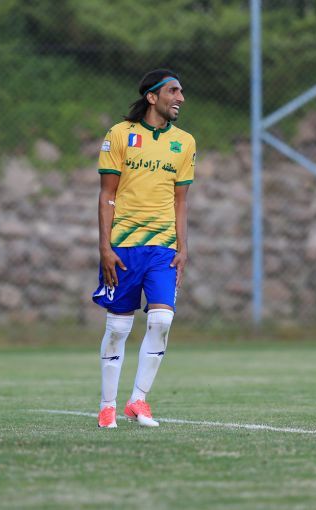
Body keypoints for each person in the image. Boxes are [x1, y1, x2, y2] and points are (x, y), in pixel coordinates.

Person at [92, 69, 196, 428]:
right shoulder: (120, 135)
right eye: (173, 91)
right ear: (152, 97)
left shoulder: (185, 142)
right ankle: (107, 405)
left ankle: (138, 400)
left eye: (181, 91)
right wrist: (105, 247)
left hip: (163, 248)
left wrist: (183, 247)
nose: (180, 98)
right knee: (118, 329)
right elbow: (107, 195)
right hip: (123, 247)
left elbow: (181, 201)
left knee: (162, 320)